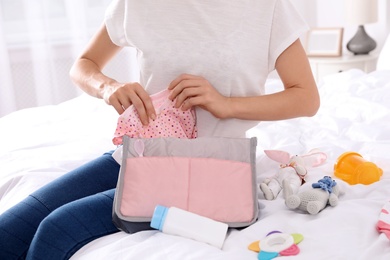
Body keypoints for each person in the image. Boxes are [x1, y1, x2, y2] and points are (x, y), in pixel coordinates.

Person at [0, 0, 320, 259]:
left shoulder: (267, 8)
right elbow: (84, 64)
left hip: (208, 169)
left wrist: (226, 104)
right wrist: (107, 86)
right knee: (9, 230)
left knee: (57, 227)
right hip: (137, 155)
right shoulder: (139, 5)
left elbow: (306, 97)